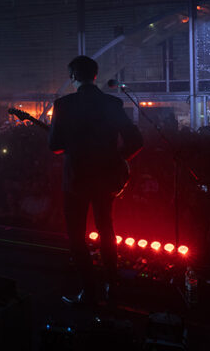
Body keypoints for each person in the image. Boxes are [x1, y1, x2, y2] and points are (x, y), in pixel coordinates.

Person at [48, 56, 142, 305]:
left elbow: (55, 145)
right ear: (95, 76)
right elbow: (136, 141)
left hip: (77, 179)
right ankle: (113, 285)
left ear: (72, 77)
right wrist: (118, 159)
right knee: (106, 230)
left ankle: (89, 291)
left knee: (77, 236)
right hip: (106, 178)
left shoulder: (64, 104)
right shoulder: (112, 103)